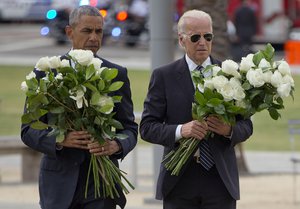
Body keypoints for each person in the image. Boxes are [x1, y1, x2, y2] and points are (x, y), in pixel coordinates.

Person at [21, 5, 138, 209]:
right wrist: (60, 139)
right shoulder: (47, 72)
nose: (94, 37)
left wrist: (116, 146)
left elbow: (129, 129)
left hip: (101, 185)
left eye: (99, 31)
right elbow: (28, 130)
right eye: (87, 31)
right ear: (69, 32)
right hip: (58, 186)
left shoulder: (116, 74)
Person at [139, 10, 253, 209]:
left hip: (220, 181)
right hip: (179, 181)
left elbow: (246, 126)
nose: (202, 42)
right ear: (182, 40)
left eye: (207, 36)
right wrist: (180, 130)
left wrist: (228, 130)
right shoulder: (163, 76)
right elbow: (147, 127)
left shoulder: (231, 74)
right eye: (195, 37)